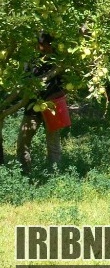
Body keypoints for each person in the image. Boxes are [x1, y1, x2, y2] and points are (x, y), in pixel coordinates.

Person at [17, 32, 64, 173]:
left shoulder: (58, 60)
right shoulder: (32, 60)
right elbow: (25, 79)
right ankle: (24, 173)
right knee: (23, 141)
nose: (47, 47)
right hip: (33, 106)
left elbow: (63, 82)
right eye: (45, 45)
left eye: (49, 45)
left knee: (53, 143)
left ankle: (55, 174)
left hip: (52, 105)